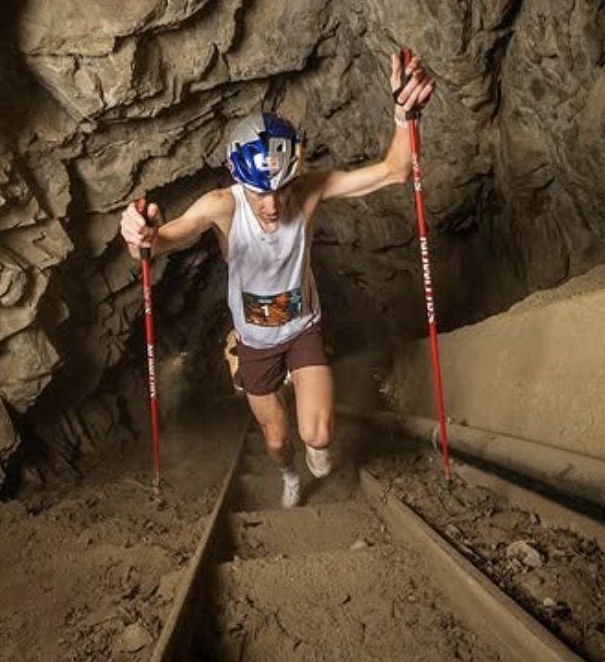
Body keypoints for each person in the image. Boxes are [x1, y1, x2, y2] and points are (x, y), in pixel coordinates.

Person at [119, 51, 435, 507]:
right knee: (275, 440)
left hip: (303, 328)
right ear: (238, 180)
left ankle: (314, 454)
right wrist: (138, 232)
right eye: (258, 193)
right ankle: (289, 475)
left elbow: (394, 170)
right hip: (254, 342)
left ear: (295, 174)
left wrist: (404, 117)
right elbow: (158, 242)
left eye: (280, 189)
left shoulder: (310, 191)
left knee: (319, 436)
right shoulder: (221, 207)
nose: (270, 204)